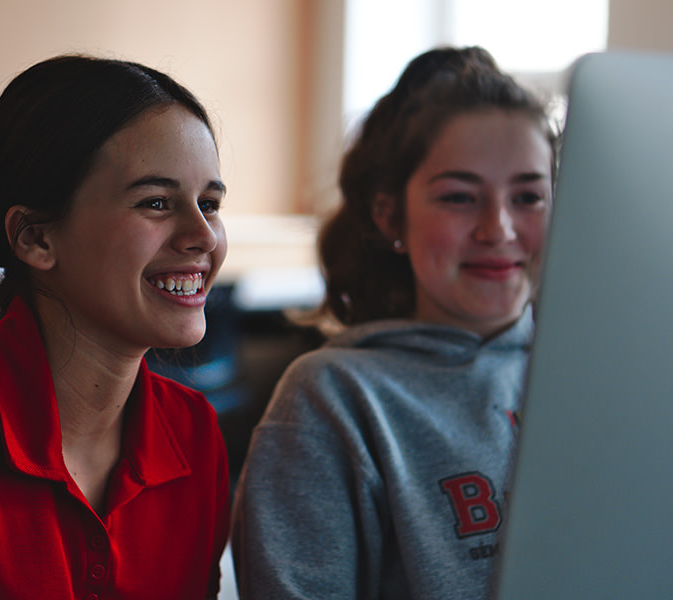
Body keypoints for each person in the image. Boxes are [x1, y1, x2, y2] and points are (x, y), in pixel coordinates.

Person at [0, 55, 230, 599]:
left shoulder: (195, 435)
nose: (203, 236)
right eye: (156, 202)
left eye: (210, 204)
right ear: (35, 238)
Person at [231, 46, 560, 599]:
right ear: (390, 216)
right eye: (459, 196)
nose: (498, 228)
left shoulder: (601, 379)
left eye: (528, 195)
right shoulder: (333, 398)